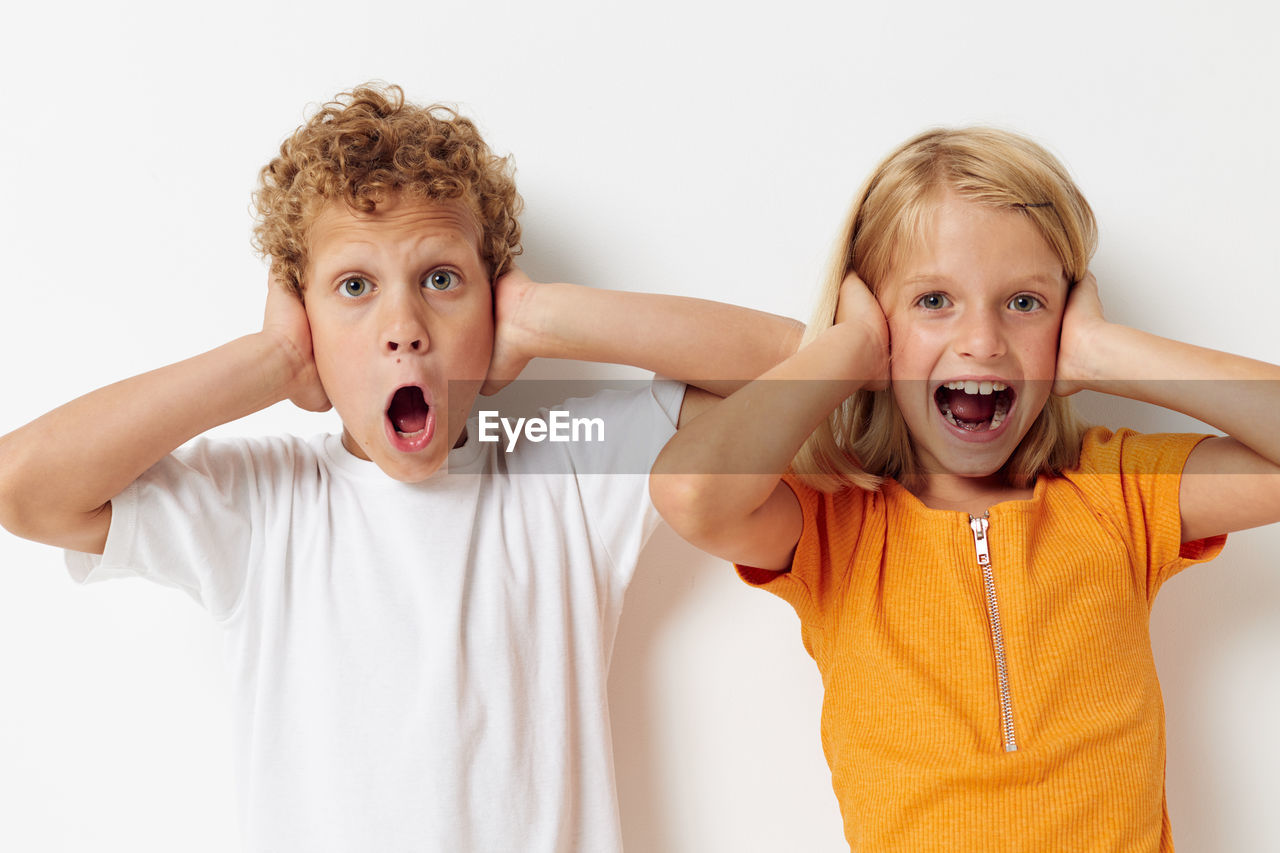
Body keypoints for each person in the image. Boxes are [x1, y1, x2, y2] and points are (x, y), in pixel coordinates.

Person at [0, 84, 800, 852]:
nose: (404, 328)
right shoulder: (262, 505)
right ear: (301, 312)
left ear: (493, 298)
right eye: (354, 286)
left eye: (442, 280)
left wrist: (543, 317)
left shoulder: (568, 463)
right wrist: (272, 359)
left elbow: (808, 373)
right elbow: (25, 487)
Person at [649, 127, 1280, 851]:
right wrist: (845, 351)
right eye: (934, 300)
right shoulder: (834, 524)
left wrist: (1111, 352)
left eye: (1023, 303)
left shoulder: (1118, 494)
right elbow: (692, 493)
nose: (982, 340)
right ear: (877, 330)